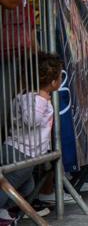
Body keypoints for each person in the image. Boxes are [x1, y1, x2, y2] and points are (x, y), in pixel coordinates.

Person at [2, 52, 61, 221]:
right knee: (8, 187)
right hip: (21, 152)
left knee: (28, 188)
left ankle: (5, 209)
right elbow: (31, 120)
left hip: (23, 151)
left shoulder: (27, 96)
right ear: (53, 82)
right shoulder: (33, 98)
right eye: (60, 76)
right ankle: (1, 210)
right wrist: (42, 99)